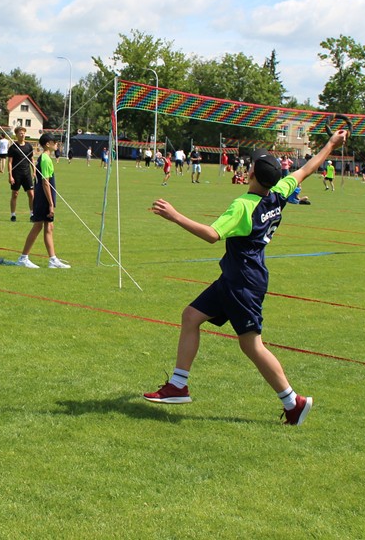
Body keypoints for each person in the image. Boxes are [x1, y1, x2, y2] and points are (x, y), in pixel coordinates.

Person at [141, 127, 350, 426]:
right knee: (191, 316)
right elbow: (306, 169)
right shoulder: (278, 194)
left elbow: (212, 234)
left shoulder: (243, 206)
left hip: (242, 282)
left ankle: (293, 402)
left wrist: (175, 216)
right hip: (238, 277)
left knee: (251, 344)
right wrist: (331, 143)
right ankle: (178, 385)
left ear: (251, 174)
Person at [17, 135, 69, 269]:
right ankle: (23, 258)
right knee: (38, 226)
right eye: (54, 142)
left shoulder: (46, 158)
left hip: (45, 197)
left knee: (49, 227)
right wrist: (51, 204)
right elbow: (46, 183)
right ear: (47, 144)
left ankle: (52, 259)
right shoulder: (45, 159)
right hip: (43, 198)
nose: (57, 144)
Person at [6, 126, 35, 222]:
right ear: (16, 135)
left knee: (31, 194)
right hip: (16, 174)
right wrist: (10, 176)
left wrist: (34, 171)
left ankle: (32, 214)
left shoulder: (29, 146)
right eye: (20, 133)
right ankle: (13, 215)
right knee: (15, 194)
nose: (22, 135)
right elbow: (10, 162)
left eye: (23, 133)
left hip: (27, 173)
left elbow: (32, 160)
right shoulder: (13, 147)